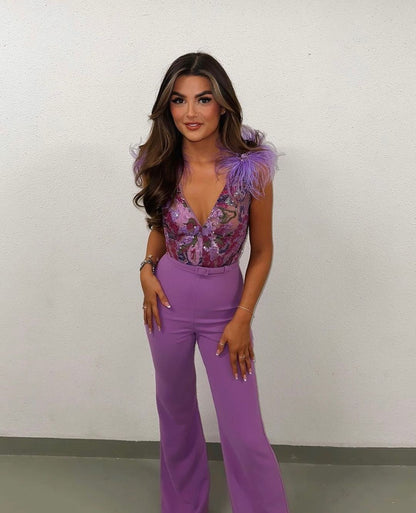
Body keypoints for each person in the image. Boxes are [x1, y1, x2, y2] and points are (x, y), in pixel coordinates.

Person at [131, 52, 290, 513]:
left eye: (203, 99)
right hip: (166, 301)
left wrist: (243, 317)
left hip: (226, 305)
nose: (190, 112)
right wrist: (146, 267)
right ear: (168, 106)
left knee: (244, 430)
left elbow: (263, 251)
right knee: (176, 414)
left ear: (222, 104)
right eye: (179, 100)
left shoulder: (252, 169)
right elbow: (160, 227)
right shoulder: (158, 162)